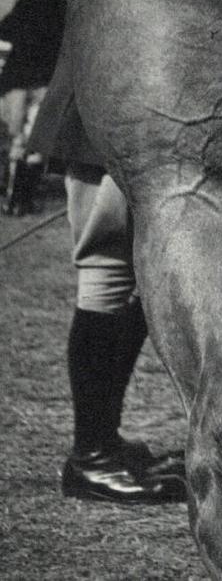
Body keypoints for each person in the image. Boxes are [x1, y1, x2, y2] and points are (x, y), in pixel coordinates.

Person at [28, 39, 186, 502]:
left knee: (135, 278)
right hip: (109, 106)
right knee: (108, 270)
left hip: (137, 102)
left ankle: (103, 441)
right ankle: (91, 458)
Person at [0, 0, 67, 215]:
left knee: (17, 141)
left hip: (15, 83)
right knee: (37, 144)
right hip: (45, 85)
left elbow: (4, 31)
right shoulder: (65, 12)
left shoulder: (25, 6)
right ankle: (23, 198)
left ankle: (12, 198)